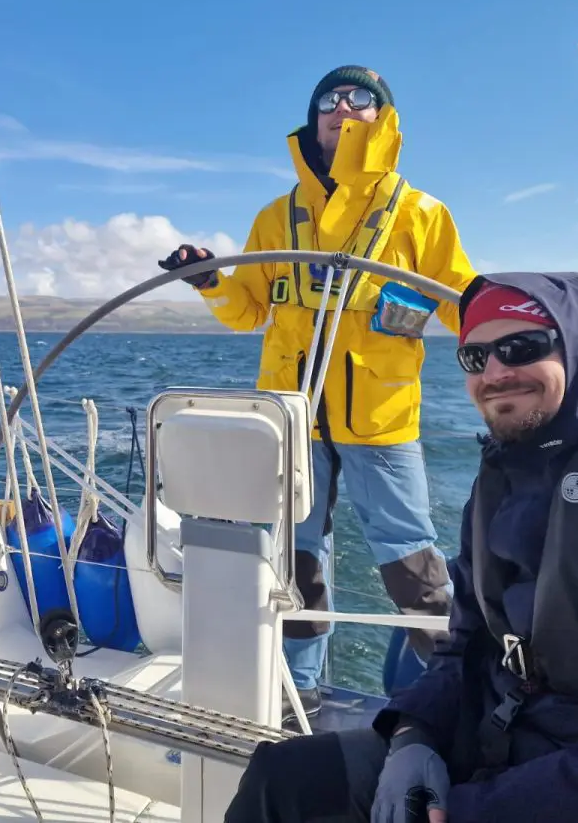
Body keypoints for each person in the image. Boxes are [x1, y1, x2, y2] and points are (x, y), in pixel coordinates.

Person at [223, 272, 578, 823]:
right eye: (475, 357)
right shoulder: (502, 479)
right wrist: (413, 734)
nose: (495, 373)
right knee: (281, 779)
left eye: (521, 347)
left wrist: (471, 809)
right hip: (496, 740)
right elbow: (465, 644)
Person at [159, 65, 477, 715]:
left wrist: (510, 327)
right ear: (314, 118)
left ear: (383, 117)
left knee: (411, 559)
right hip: (290, 417)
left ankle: (457, 693)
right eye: (330, 98)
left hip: (380, 417)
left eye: (361, 98)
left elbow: (460, 299)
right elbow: (249, 310)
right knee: (297, 560)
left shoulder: (421, 214)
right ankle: (297, 690)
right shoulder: (276, 217)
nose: (343, 107)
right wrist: (211, 281)